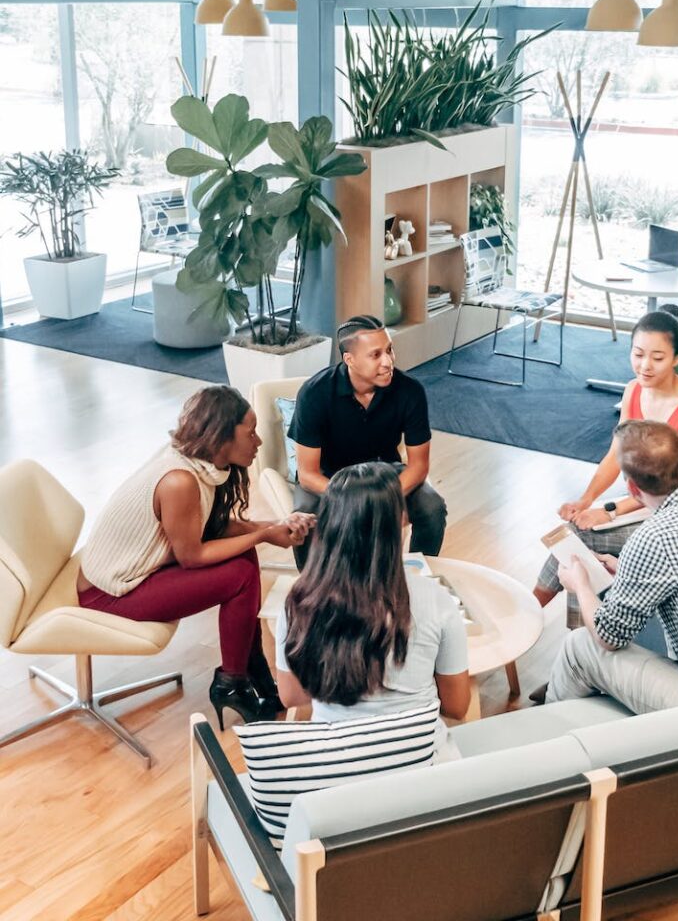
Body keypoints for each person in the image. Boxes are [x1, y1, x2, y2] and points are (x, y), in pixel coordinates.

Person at [77, 386, 316, 729]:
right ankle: (233, 683)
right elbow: (191, 555)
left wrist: (273, 525)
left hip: (138, 573)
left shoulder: (202, 465)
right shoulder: (179, 480)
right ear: (221, 437)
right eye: (250, 433)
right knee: (240, 576)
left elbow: (208, 526)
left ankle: (250, 673)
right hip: (109, 594)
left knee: (244, 557)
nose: (259, 442)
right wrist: (263, 534)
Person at [534, 306, 678, 626]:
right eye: (638, 354)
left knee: (580, 536)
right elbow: (614, 456)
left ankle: (536, 615)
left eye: (657, 358)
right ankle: (571, 632)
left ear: (677, 358)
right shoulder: (633, 389)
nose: (645, 365)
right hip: (645, 504)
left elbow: (667, 485)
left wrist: (610, 511)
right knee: (578, 530)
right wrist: (586, 499)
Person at [276, 462, 470, 757]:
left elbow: (291, 696)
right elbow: (457, 706)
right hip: (423, 770)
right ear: (399, 522)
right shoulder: (435, 600)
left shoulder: (299, 601)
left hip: (336, 768)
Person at [546, 420, 678, 713]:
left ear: (633, 489)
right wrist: (626, 570)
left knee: (578, 647)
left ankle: (555, 747)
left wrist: (580, 586)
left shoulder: (654, 536)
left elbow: (608, 636)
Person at [288, 314, 447, 569]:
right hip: (330, 477)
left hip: (385, 473)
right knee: (305, 517)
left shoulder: (410, 391)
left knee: (432, 508)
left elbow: (418, 466)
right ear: (349, 359)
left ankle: (420, 577)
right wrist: (357, 502)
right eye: (375, 355)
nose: (388, 362)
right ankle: (312, 589)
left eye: (389, 350)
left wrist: (386, 498)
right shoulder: (314, 393)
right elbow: (307, 474)